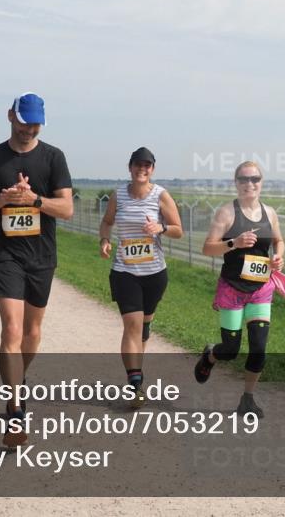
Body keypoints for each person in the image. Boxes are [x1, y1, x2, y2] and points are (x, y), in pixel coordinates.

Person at [0, 92, 73, 447]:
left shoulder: (53, 158)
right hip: (5, 257)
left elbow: (67, 209)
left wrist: (35, 200)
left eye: (35, 122)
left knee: (32, 333)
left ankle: (17, 382)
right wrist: (3, 200)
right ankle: (15, 413)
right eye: (24, 120)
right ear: (10, 115)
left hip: (41, 257)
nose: (29, 128)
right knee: (11, 328)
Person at [193, 161, 285, 419]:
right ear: (236, 183)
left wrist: (278, 256)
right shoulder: (226, 213)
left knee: (259, 347)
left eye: (255, 179)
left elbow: (279, 241)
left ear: (261, 182)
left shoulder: (270, 213)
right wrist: (234, 242)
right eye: (244, 179)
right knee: (230, 350)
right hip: (232, 288)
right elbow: (208, 248)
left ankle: (248, 399)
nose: (250, 184)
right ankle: (211, 355)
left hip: (261, 289)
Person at [98, 147, 182, 408]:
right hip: (125, 272)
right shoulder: (118, 195)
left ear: (152, 169)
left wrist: (161, 227)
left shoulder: (161, 195)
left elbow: (178, 230)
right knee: (132, 326)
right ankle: (135, 385)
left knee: (144, 327)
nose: (142, 169)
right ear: (130, 167)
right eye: (138, 165)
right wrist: (104, 239)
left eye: (147, 166)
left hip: (155, 273)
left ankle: (136, 373)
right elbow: (107, 221)